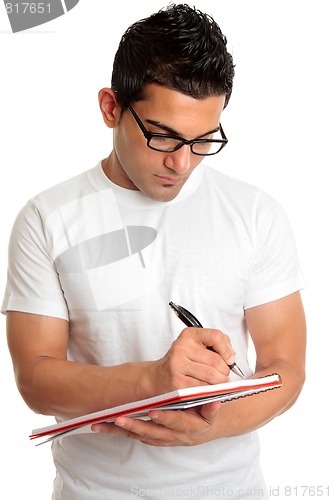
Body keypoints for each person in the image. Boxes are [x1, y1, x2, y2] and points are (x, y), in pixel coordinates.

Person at [2, 3, 306, 499]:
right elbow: (35, 380)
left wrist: (213, 425)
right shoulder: (47, 217)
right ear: (110, 108)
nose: (182, 163)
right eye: (162, 137)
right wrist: (151, 380)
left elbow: (286, 371)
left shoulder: (255, 213)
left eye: (203, 139)